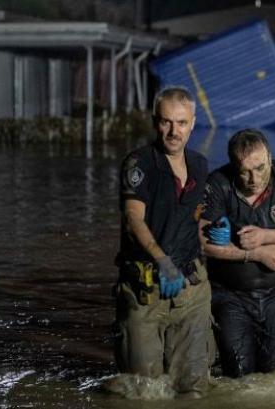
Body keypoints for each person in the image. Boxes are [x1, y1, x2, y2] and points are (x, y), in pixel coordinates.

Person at [199, 129, 275, 378]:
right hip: (230, 296)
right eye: (245, 171)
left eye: (260, 167)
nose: (254, 178)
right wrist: (254, 254)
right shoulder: (217, 183)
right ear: (233, 166)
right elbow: (200, 242)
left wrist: (268, 236)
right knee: (238, 375)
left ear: (269, 157)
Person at [112, 86, 212, 397]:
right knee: (144, 391)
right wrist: (163, 261)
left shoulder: (200, 164)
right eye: (166, 122)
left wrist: (218, 227)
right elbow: (133, 219)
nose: (173, 131)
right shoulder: (139, 164)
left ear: (193, 123)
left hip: (191, 290)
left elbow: (198, 216)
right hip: (146, 290)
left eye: (181, 123)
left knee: (194, 389)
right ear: (156, 122)